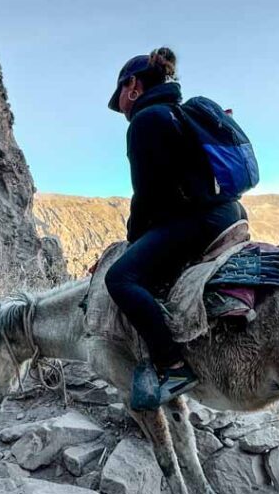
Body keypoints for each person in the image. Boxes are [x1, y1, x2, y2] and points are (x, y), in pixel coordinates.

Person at [104, 47, 248, 411]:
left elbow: (147, 195)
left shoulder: (145, 120)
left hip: (197, 221)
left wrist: (133, 238)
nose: (120, 107)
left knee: (120, 279)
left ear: (132, 85)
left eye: (119, 96)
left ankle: (174, 368)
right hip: (229, 211)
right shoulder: (178, 114)